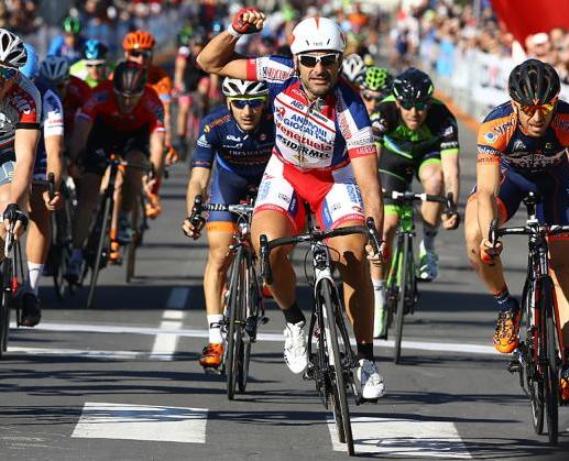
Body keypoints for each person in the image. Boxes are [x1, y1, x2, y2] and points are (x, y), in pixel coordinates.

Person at [197, 9, 385, 399]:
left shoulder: (351, 107)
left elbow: (368, 180)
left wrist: (373, 231)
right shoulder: (278, 72)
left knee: (353, 257)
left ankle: (365, 358)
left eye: (329, 60)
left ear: (339, 62)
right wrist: (236, 30)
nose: (320, 69)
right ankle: (295, 322)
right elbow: (208, 62)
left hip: (334, 180)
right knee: (266, 249)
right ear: (297, 60)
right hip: (285, 173)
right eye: (311, 60)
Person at [464, 59, 569, 401]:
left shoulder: (566, 120)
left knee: (562, 267)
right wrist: (491, 233)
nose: (538, 117)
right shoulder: (496, 125)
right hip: (511, 182)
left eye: (546, 107)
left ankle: (565, 360)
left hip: (556, 185)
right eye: (528, 108)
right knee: (476, 237)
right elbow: (488, 192)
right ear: (514, 104)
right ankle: (508, 307)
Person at [182, 78, 274, 370]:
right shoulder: (214, 125)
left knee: (272, 242)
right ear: (229, 104)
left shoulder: (277, 122)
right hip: (228, 184)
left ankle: (262, 279)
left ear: (265, 104)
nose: (247, 111)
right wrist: (194, 213)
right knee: (219, 255)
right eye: (240, 104)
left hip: (268, 184)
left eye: (255, 104)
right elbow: (198, 177)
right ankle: (215, 339)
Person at [370, 67, 460, 338]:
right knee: (387, 229)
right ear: (397, 102)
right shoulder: (383, 113)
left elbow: (451, 170)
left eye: (420, 106)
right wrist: (369, 200)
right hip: (392, 162)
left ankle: (428, 248)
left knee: (435, 181)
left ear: (429, 103)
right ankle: (378, 301)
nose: (414, 113)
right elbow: (370, 162)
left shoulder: (442, 117)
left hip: (426, 156)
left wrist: (451, 206)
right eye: (407, 106)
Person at [66, 62, 165, 279]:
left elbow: (158, 142)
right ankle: (75, 253)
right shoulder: (99, 94)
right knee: (89, 195)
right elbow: (81, 131)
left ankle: (124, 217)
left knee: (135, 166)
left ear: (142, 92)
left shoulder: (152, 101)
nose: (127, 102)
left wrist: (155, 168)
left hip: (134, 137)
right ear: (113, 89)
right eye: (121, 96)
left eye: (133, 97)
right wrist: (77, 157)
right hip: (103, 132)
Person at [19, 46, 65, 326]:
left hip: (37, 154)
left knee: (40, 209)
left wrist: (53, 186)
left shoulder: (47, 97)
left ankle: (31, 288)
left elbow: (54, 150)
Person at [0, 29, 41, 322]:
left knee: (7, 214)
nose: (2, 81)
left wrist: (15, 204)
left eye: (7, 74)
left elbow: (25, 156)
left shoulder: (27, 96)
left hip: (6, 154)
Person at [123, 30, 174, 219]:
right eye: (135, 54)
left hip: (149, 127)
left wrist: (167, 143)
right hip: (121, 125)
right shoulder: (117, 75)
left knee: (159, 148)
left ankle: (153, 192)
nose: (140, 59)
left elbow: (165, 114)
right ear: (126, 55)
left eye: (145, 54)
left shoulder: (160, 79)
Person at [173, 28, 213, 159]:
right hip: (187, 82)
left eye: (201, 45)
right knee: (184, 108)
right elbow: (179, 72)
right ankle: (181, 139)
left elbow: (213, 75)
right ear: (191, 45)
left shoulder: (207, 56)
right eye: (196, 45)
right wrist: (178, 87)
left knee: (205, 86)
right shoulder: (184, 55)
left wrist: (211, 94)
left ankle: (203, 111)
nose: (198, 48)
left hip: (200, 81)